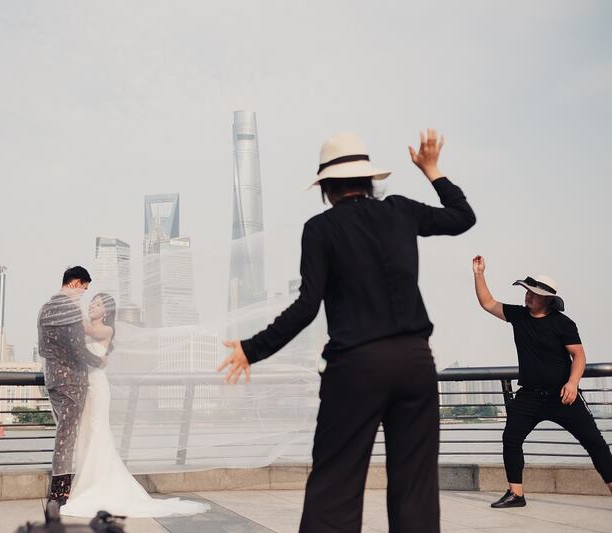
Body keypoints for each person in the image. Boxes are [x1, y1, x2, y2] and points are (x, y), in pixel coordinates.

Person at [218, 129, 476, 533]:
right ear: (369, 179)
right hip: (415, 362)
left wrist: (252, 348)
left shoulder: (321, 229)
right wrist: (432, 169)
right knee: (416, 489)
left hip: (357, 367)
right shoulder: (401, 210)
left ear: (326, 187)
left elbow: (307, 307)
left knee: (335, 484)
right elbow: (463, 218)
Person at [471, 256, 612, 507]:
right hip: (529, 395)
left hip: (562, 395)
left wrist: (572, 383)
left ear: (547, 298)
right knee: (511, 438)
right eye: (526, 292)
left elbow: (579, 355)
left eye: (533, 294)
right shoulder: (518, 315)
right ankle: (516, 494)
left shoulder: (563, 324)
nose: (528, 297)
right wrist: (479, 273)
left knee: (594, 442)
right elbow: (488, 303)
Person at [61, 293, 210, 518]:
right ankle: (86, 483)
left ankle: (97, 485)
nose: (93, 305)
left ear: (107, 312)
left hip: (98, 387)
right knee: (86, 435)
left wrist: (72, 304)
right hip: (84, 387)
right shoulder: (87, 330)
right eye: (92, 301)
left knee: (98, 431)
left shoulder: (106, 330)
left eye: (98, 304)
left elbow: (88, 330)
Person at [37, 266, 107, 518]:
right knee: (67, 435)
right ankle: (59, 493)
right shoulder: (70, 308)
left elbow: (43, 348)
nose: (84, 295)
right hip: (73, 382)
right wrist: (99, 362)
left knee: (64, 431)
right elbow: (78, 348)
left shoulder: (45, 307)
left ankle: (63, 488)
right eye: (84, 289)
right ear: (76, 283)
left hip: (53, 379)